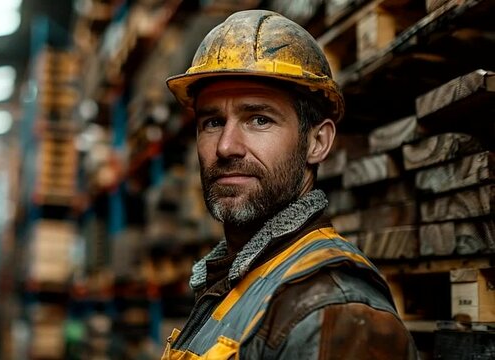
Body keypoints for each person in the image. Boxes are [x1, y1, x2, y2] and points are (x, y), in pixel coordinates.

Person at [162, 9, 418, 359]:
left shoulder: (333, 309)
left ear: (317, 142)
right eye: (212, 122)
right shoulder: (237, 281)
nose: (225, 146)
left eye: (259, 119)